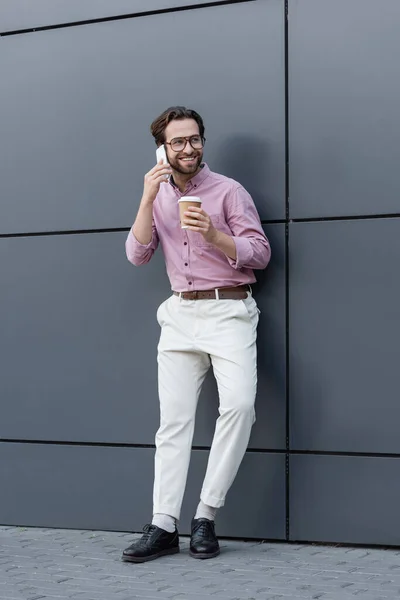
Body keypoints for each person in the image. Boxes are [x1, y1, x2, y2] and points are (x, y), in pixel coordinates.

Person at [122, 106, 271, 563]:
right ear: (162, 149)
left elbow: (260, 253)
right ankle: (164, 524)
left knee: (240, 407)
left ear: (203, 141)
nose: (188, 149)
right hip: (181, 315)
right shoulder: (158, 194)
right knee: (174, 424)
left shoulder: (229, 191)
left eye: (194, 139)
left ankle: (205, 515)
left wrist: (215, 235)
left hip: (229, 311)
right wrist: (148, 198)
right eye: (177, 142)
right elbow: (136, 254)